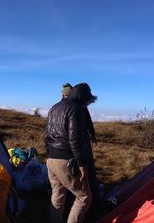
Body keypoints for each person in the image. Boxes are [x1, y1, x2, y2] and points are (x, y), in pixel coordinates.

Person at [45, 82, 97, 223]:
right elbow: (74, 139)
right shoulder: (76, 109)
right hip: (66, 160)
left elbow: (47, 135)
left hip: (50, 159)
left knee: (58, 195)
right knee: (84, 197)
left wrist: (49, 154)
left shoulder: (54, 108)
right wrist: (82, 164)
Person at [61, 83, 101, 220]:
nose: (65, 96)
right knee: (78, 173)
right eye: (64, 94)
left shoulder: (79, 106)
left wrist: (92, 133)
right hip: (74, 145)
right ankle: (82, 202)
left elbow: (88, 120)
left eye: (67, 94)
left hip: (80, 143)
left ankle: (91, 198)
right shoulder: (69, 107)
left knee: (86, 171)